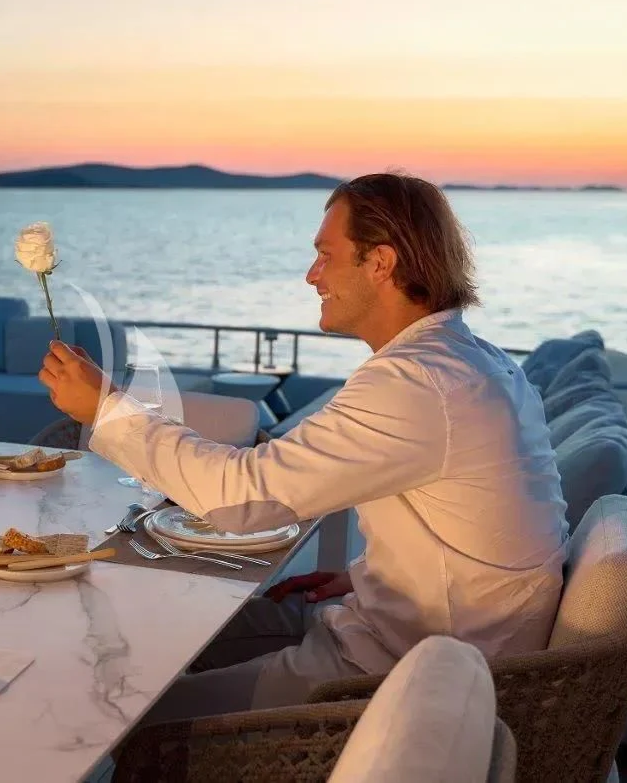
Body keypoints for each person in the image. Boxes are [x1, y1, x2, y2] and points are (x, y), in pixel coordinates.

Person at [38, 172, 570, 721]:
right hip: (433, 645)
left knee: (120, 713)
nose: (311, 275)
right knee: (157, 632)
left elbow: (240, 501)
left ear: (380, 263)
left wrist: (107, 407)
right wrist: (376, 576)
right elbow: (475, 523)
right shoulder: (479, 361)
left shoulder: (416, 383)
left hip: (408, 687)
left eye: (325, 255)